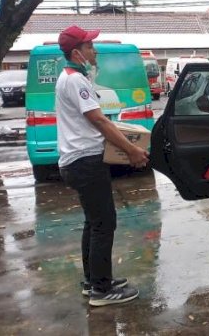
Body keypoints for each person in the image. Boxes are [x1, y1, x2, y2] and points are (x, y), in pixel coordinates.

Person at [55, 25, 148, 307]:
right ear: (77, 53)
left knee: (93, 223)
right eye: (89, 46)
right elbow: (99, 121)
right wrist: (131, 149)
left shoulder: (72, 77)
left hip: (78, 161)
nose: (94, 51)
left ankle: (94, 280)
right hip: (85, 161)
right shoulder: (75, 80)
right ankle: (101, 290)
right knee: (104, 223)